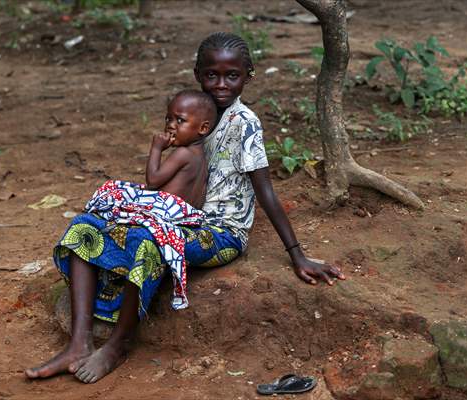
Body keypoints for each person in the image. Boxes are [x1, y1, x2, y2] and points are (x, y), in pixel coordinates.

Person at [26, 32, 345, 384]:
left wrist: (297, 253)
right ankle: (78, 342)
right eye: (212, 75)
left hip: (221, 233)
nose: (221, 84)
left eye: (232, 76)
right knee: (86, 225)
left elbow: (265, 191)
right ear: (198, 74)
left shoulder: (245, 124)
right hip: (184, 219)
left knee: (151, 243)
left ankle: (117, 345)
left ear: (248, 75)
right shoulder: (194, 112)